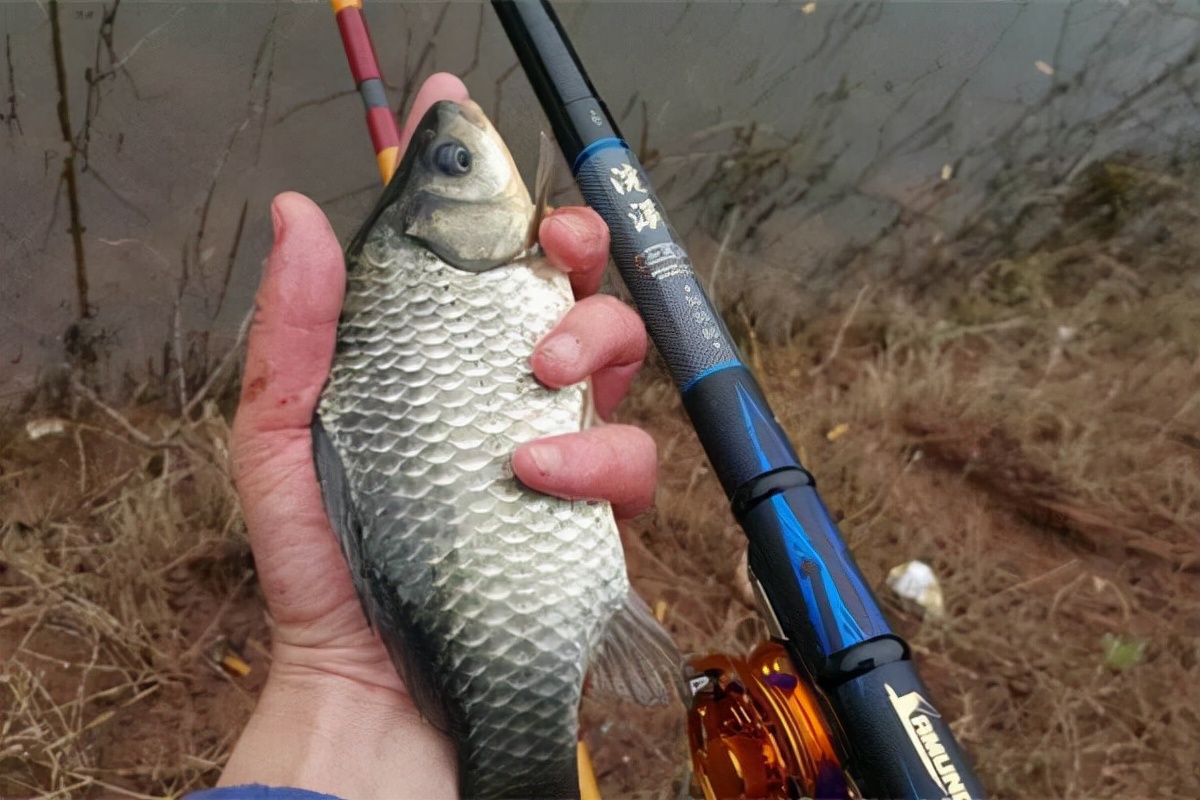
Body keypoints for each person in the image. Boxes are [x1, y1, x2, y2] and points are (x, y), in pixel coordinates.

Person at [184, 74, 658, 800]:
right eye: (455, 165)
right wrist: (335, 670)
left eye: (452, 164)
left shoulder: (497, 270)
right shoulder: (514, 270)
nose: (465, 142)